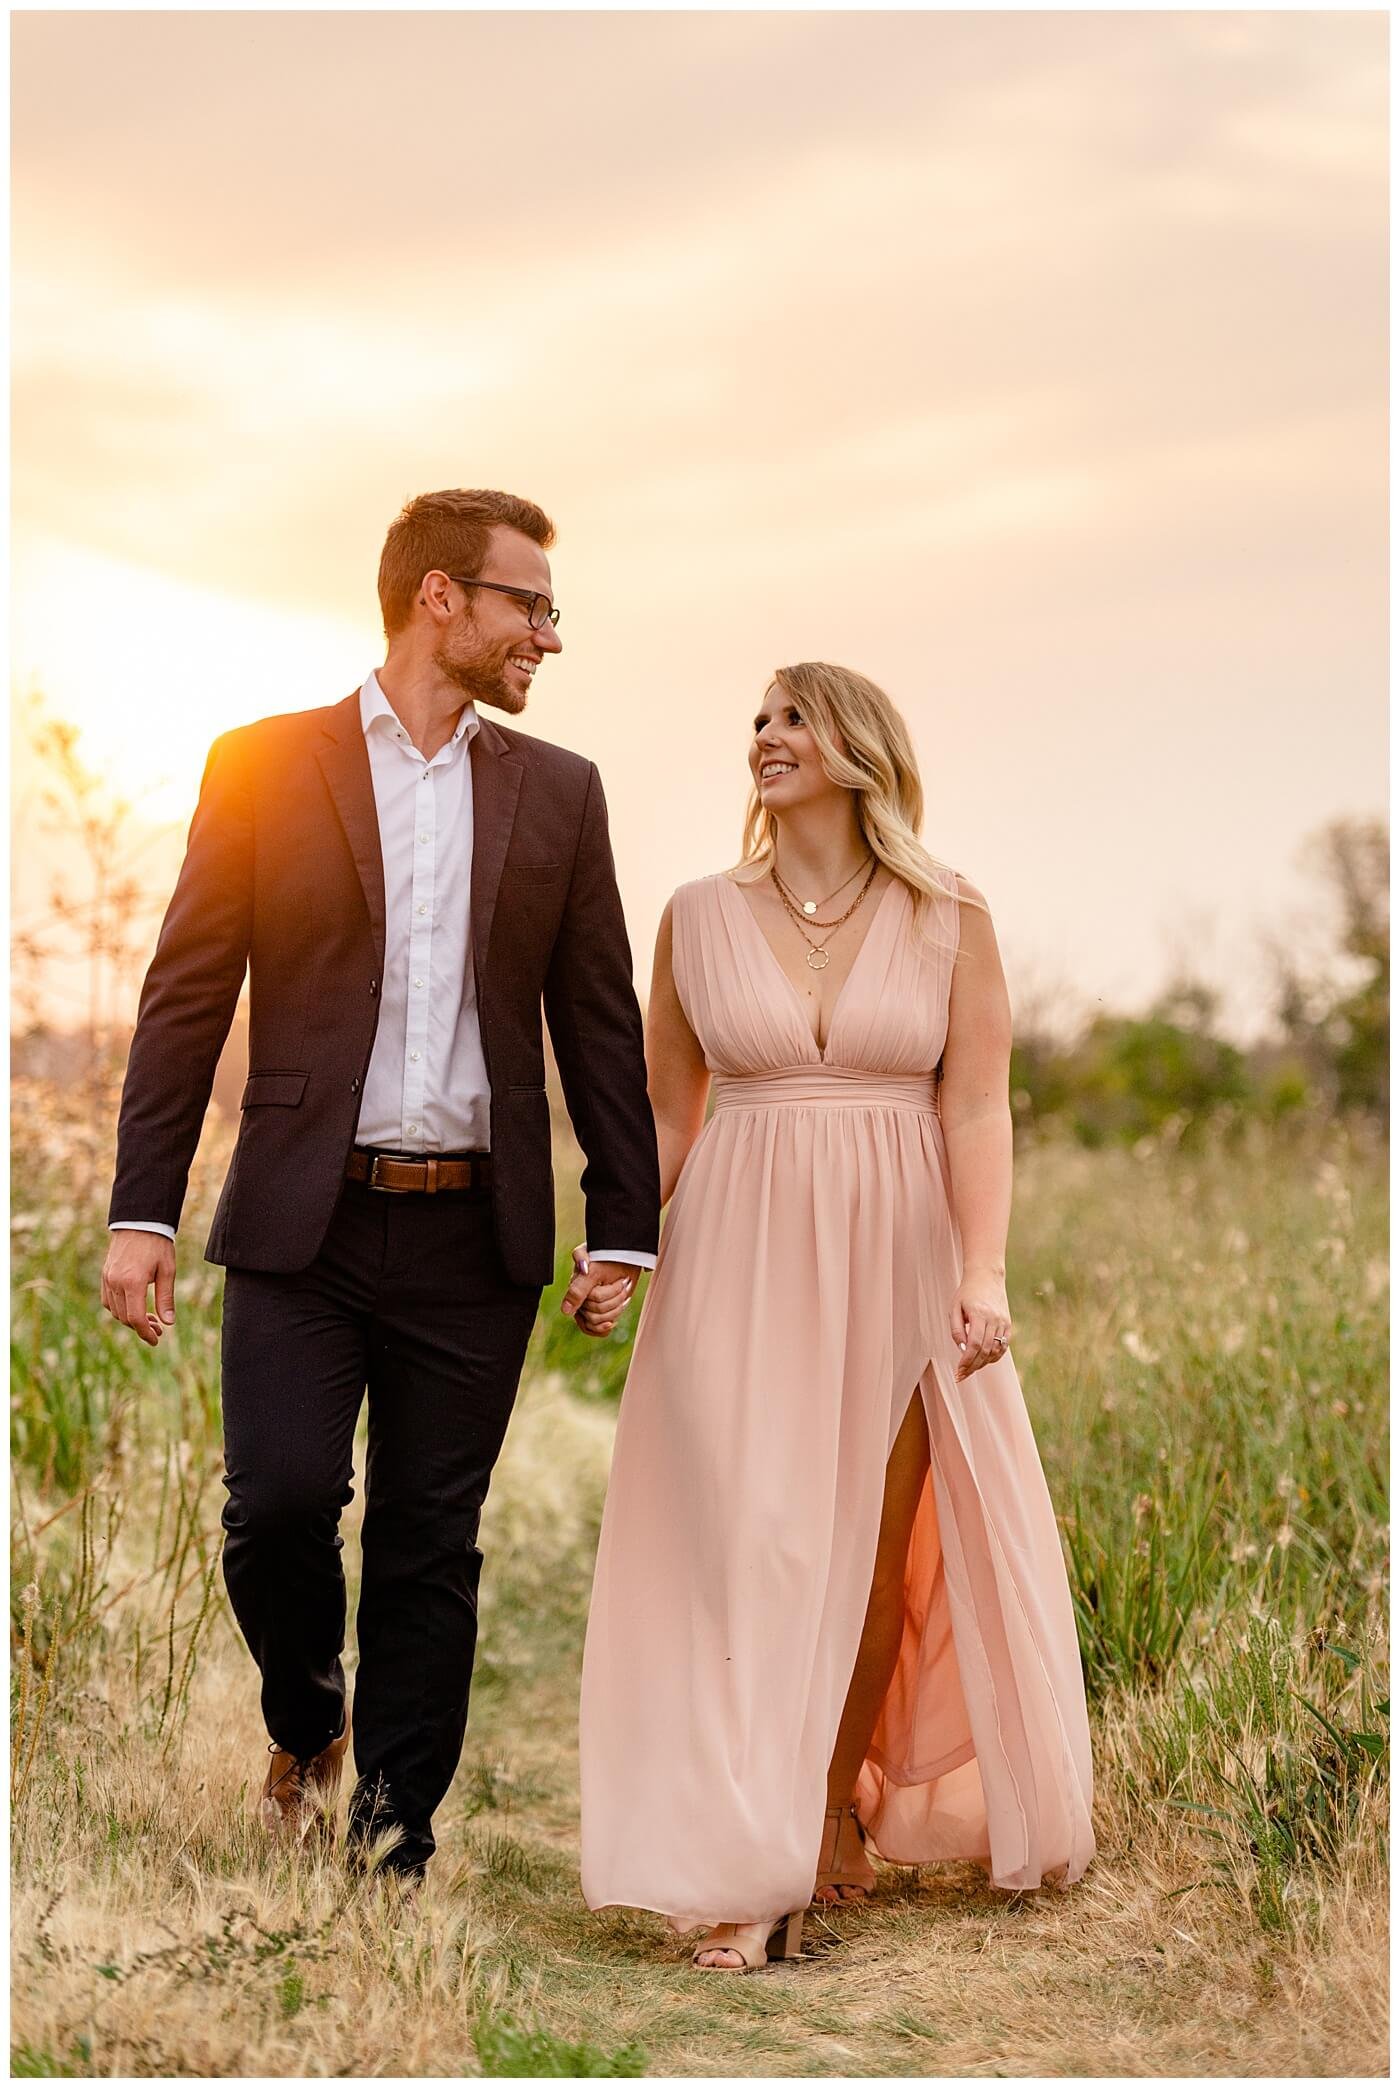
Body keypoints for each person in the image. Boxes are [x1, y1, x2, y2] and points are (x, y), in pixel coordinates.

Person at [101, 488, 660, 1886]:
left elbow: (601, 1018)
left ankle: (392, 1846)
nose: (549, 633)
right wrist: (142, 1209)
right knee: (278, 1504)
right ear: (439, 599)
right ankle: (309, 1720)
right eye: (529, 603)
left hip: (477, 1232)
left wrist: (626, 1225)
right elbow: (184, 1000)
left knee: (430, 1543)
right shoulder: (261, 764)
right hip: (306, 1217)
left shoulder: (561, 792)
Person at [576, 661, 1093, 1970]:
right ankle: (745, 1855)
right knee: (747, 1538)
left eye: (793, 717)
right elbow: (670, 1109)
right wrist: (624, 1250)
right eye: (758, 719)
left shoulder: (948, 911)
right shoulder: (695, 915)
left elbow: (977, 1105)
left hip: (897, 1245)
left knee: (863, 1545)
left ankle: (817, 1812)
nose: (766, 737)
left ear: (860, 746)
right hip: (736, 1248)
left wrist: (984, 1274)